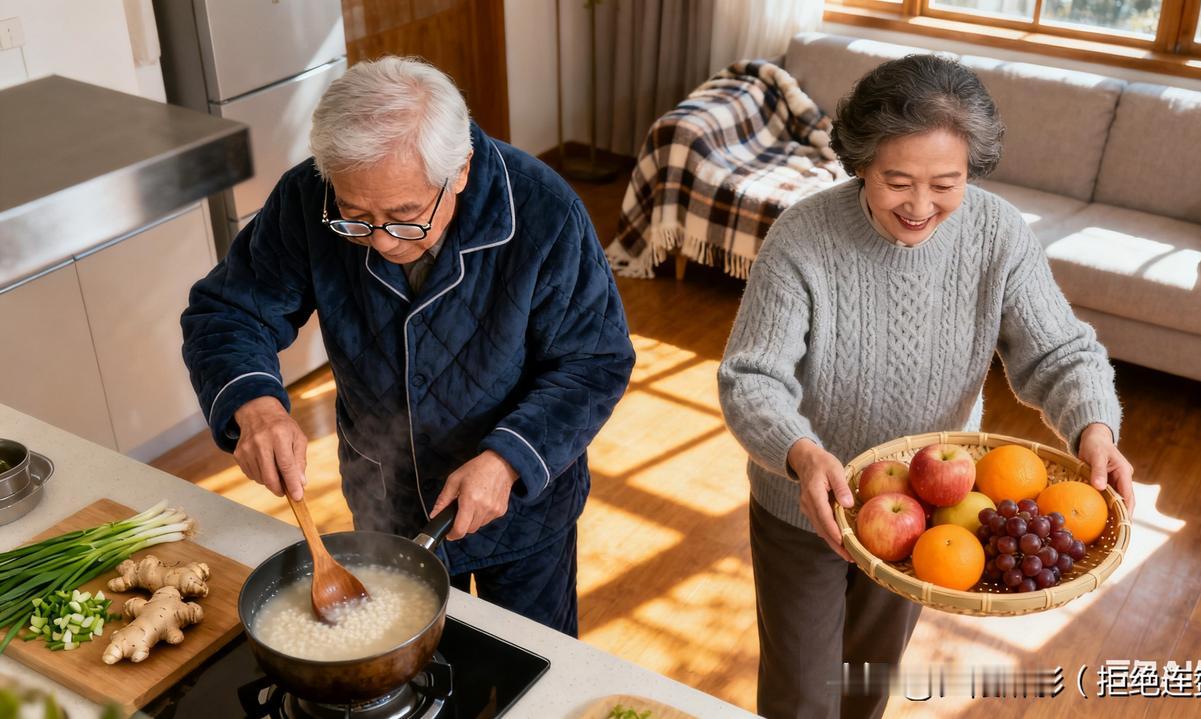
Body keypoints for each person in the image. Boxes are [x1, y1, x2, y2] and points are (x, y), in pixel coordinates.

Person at [717, 54, 1136, 719]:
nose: (919, 206)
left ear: (973, 169)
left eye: (946, 182)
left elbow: (1060, 351)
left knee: (864, 683)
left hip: (928, 503)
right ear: (860, 164)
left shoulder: (998, 234)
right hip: (805, 504)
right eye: (896, 180)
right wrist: (801, 453)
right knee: (800, 695)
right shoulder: (802, 237)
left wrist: (1094, 427)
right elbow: (751, 377)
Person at [181, 57, 635, 637]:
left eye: (405, 217)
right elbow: (229, 311)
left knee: (529, 673)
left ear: (461, 170)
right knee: (404, 661)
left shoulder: (544, 210)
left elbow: (594, 362)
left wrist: (507, 460)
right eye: (356, 218)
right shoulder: (307, 199)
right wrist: (256, 406)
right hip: (385, 500)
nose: (380, 240)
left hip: (523, 509)